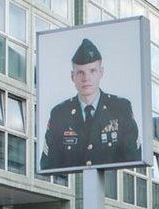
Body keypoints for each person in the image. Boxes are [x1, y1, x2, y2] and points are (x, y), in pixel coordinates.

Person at [41, 38, 141, 171]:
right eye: (80, 72)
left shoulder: (121, 108)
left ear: (101, 72)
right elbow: (49, 165)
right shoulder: (59, 114)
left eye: (92, 71)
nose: (86, 78)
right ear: (73, 77)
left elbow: (134, 159)